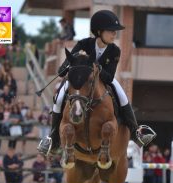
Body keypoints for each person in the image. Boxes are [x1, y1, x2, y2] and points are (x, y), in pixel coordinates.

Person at [38, 10, 156, 156]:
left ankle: (135, 131)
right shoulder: (83, 44)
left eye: (115, 32)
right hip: (80, 82)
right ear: (99, 31)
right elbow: (66, 66)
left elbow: (109, 77)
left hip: (103, 81)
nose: (114, 34)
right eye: (111, 31)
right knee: (60, 97)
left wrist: (96, 66)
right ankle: (53, 138)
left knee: (121, 93)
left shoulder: (114, 51)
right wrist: (66, 67)